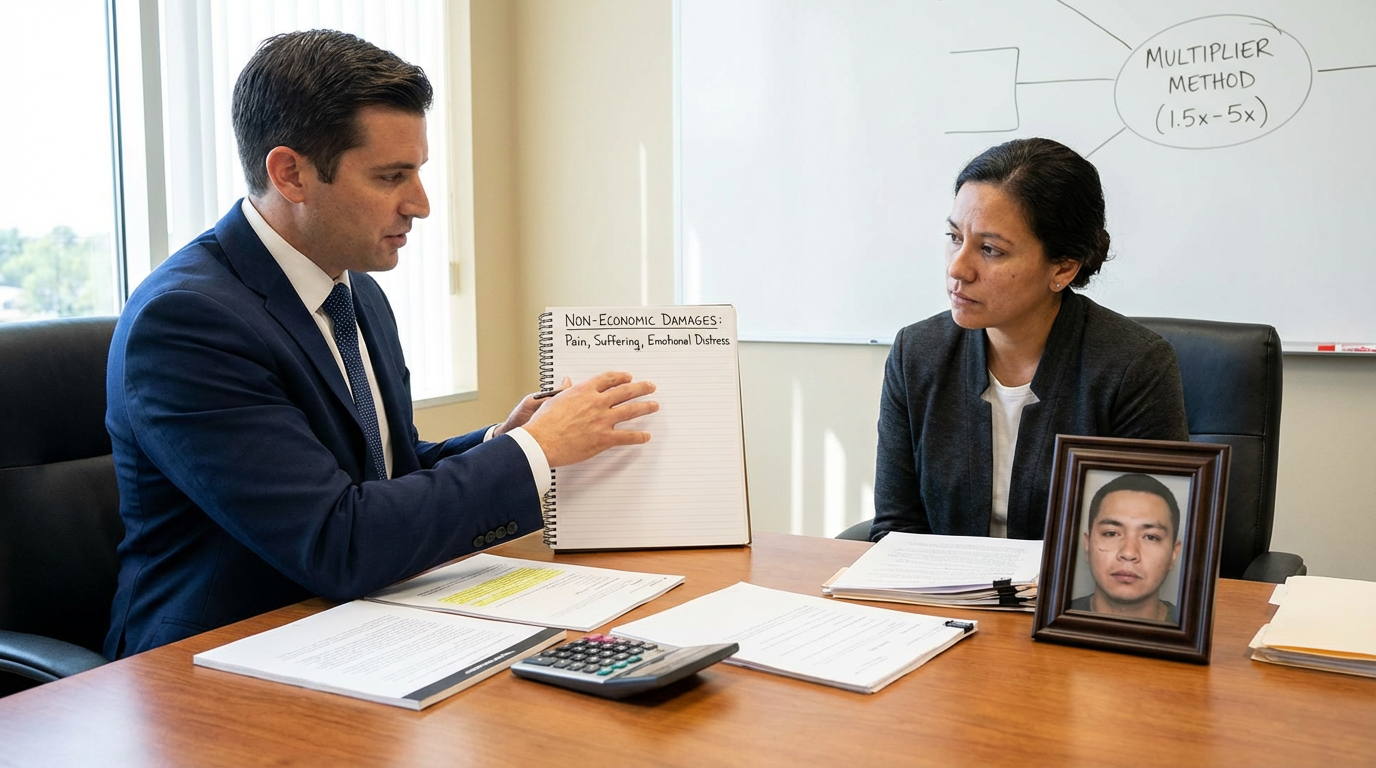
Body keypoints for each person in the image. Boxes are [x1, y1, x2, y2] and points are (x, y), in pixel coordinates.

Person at [104, 30, 658, 658]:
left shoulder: (353, 288)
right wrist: (538, 450)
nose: (419, 204)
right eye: (392, 176)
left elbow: (384, 471)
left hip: (355, 630)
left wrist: (501, 442)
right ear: (290, 174)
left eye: (418, 172)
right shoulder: (187, 323)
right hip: (214, 665)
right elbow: (339, 540)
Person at [871, 138, 1188, 541]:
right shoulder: (916, 354)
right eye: (954, 237)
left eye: (990, 249)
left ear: (1064, 268)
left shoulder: (1134, 366)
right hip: (940, 598)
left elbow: (1147, 542)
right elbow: (896, 529)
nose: (958, 268)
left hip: (1069, 602)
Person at [1071, 473, 1182, 623]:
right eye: (1111, 533)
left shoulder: (1196, 633)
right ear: (1087, 544)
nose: (1129, 553)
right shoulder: (1053, 619)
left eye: (1150, 537)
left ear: (1174, 554)